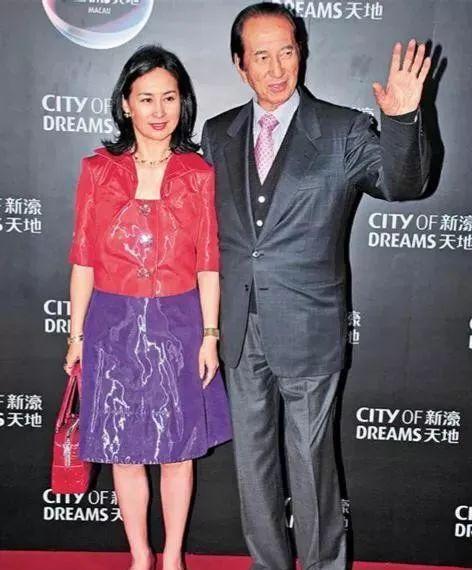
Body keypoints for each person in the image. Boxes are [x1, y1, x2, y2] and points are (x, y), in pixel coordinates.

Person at [201, 3, 431, 570]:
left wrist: (403, 120)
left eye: (287, 52)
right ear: (239, 65)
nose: (277, 68)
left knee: (309, 463)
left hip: (308, 326)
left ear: (301, 53)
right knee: (252, 466)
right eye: (261, 56)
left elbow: (403, 184)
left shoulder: (342, 128)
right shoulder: (218, 132)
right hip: (238, 326)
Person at [64, 45, 232, 570]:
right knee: (123, 447)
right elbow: (83, 260)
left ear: (183, 103)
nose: (159, 111)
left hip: (179, 323)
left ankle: (174, 557)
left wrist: (209, 335)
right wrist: (76, 337)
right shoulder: (98, 170)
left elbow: (208, 263)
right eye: (146, 98)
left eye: (169, 98)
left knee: (178, 449)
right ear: (125, 104)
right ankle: (140, 558)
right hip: (111, 324)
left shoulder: (198, 174)